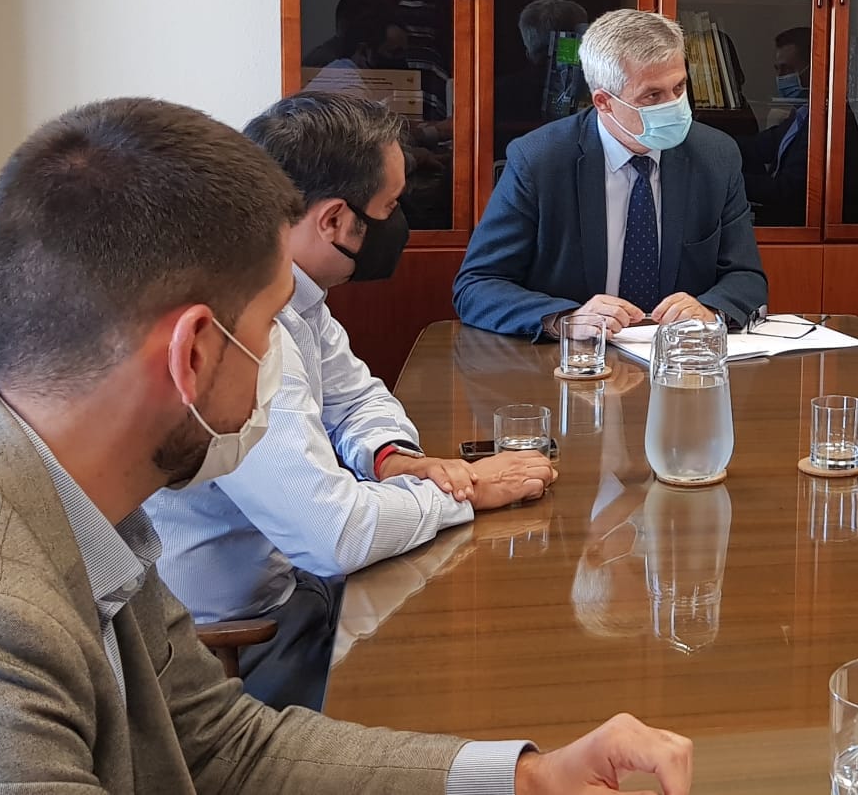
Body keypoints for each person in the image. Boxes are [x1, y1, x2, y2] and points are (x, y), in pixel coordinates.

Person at [0, 97, 690, 793]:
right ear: (194, 353)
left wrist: (526, 778)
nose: (286, 351)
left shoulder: (85, 511)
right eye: (272, 327)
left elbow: (221, 746)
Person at [145, 92, 556, 712]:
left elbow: (356, 395)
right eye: (389, 207)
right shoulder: (242, 324)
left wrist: (396, 459)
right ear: (335, 219)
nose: (396, 225)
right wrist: (462, 491)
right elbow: (333, 535)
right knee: (459, 685)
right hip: (236, 644)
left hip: (299, 590)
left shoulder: (296, 295)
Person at [454, 8, 768, 338]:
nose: (675, 106)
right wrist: (563, 319)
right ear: (604, 102)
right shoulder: (539, 160)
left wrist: (711, 309)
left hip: (680, 362)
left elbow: (746, 278)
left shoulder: (715, 155)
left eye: (679, 88)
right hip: (574, 366)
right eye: (653, 95)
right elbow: (477, 286)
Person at [738, 27, 858, 227]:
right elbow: (758, 147)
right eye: (778, 70)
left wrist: (730, 182)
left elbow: (788, 191)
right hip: (783, 219)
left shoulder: (830, 122)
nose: (781, 77)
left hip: (802, 230)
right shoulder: (803, 113)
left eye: (788, 69)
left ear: (814, 69)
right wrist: (712, 147)